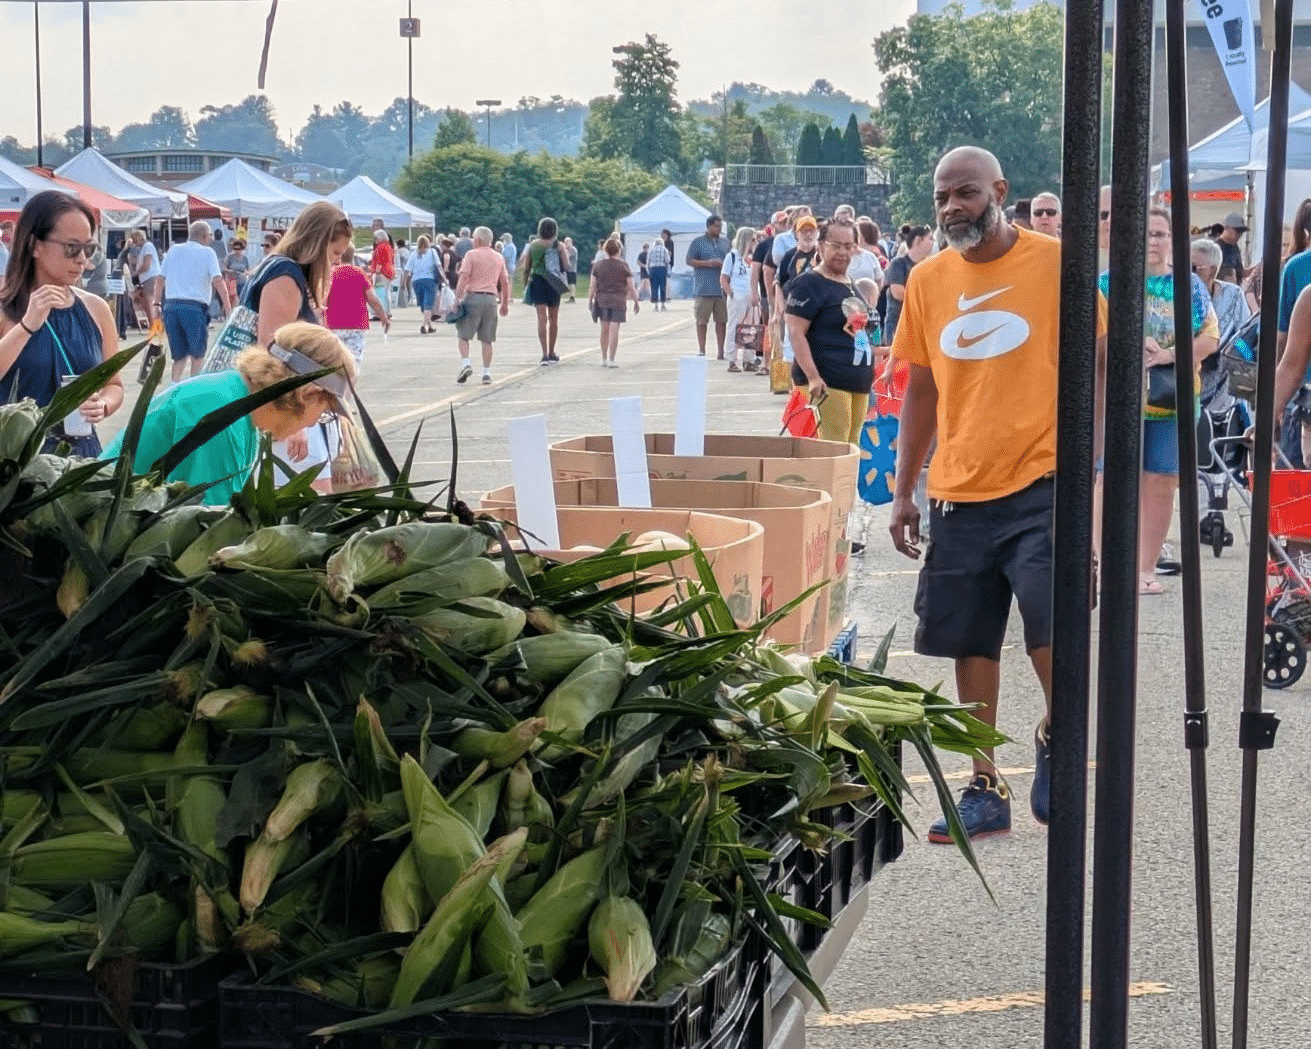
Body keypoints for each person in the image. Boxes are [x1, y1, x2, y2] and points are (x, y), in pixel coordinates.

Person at [890, 146, 1108, 842]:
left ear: (998, 190)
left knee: (1052, 629)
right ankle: (981, 786)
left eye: (965, 192)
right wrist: (904, 491)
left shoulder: (1054, 264)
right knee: (968, 638)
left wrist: (1090, 461)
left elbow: (1101, 360)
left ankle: (1055, 731)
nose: (952, 207)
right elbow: (919, 391)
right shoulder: (926, 281)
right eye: (941, 196)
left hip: (1043, 480)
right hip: (958, 488)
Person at [1095, 208, 1217, 595]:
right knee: (1106, 479)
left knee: (1161, 481)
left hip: (1171, 399)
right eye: (1146, 234)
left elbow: (1210, 339)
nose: (1153, 241)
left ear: (1172, 241)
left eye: (1161, 234)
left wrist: (1170, 354)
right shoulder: (1108, 283)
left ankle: (1145, 568)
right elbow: (1089, 336)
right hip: (1117, 399)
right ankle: (1103, 564)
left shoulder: (1189, 286)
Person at [104, 323, 356, 506]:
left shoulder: (239, 401)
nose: (314, 423)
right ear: (307, 394)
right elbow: (205, 529)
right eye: (324, 413)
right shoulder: (222, 423)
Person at [0, 191, 123, 456]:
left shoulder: (96, 308)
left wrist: (102, 405)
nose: (82, 259)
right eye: (71, 248)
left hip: (78, 463)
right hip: (16, 468)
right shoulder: (5, 307)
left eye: (89, 248)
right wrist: (27, 325)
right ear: (35, 245)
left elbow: (114, 385)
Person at [244, 201, 354, 492]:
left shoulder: (278, 269)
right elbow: (273, 351)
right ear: (317, 244)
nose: (335, 263)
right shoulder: (285, 276)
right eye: (334, 254)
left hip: (287, 402)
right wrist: (296, 423)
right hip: (285, 403)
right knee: (314, 492)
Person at [785, 217, 876, 444]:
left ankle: (846, 482)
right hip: (827, 379)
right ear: (821, 245)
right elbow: (796, 333)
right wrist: (813, 377)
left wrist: (879, 353)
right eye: (835, 245)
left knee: (852, 445)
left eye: (848, 246)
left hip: (857, 380)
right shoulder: (808, 283)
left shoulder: (849, 284)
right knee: (836, 445)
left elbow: (859, 334)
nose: (842, 252)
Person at [157, 220, 232, 384]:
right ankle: (193, 387)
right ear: (205, 236)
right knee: (197, 354)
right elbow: (218, 280)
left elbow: (160, 278)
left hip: (171, 306)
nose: (211, 239)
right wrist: (227, 306)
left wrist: (156, 303)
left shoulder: (174, 250)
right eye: (210, 235)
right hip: (194, 307)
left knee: (179, 355)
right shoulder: (208, 252)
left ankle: (173, 385)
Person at [453, 227, 511, 385]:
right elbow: (505, 282)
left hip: (473, 297)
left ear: (478, 240)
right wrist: (505, 303)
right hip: (491, 299)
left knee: (463, 335)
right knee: (487, 339)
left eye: (473, 238)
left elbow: (463, 277)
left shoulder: (471, 255)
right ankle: (486, 373)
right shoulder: (498, 257)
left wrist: (457, 299)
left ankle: (466, 363)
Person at [325, 245, 389, 370]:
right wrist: (384, 317)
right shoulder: (359, 273)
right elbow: (373, 300)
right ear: (353, 256)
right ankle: (350, 383)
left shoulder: (330, 273)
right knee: (354, 361)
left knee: (333, 361)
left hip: (333, 324)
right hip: (356, 325)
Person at [588, 236, 640, 368]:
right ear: (619, 251)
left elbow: (592, 285)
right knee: (614, 329)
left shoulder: (598, 265)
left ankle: (604, 358)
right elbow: (630, 286)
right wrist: (636, 301)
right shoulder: (623, 265)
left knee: (604, 329)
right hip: (618, 301)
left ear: (605, 250)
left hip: (602, 300)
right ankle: (612, 359)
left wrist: (590, 300)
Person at [521, 217, 568, 365]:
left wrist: (524, 285)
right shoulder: (559, 246)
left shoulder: (533, 245)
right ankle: (552, 352)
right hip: (553, 282)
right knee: (554, 319)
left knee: (542, 319)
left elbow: (526, 267)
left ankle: (544, 354)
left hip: (538, 281)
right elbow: (566, 266)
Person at [1191, 238, 1250, 346]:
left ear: (1212, 271)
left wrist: (1246, 359)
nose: (1188, 273)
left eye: (1193, 268)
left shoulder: (1234, 295)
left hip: (1223, 358)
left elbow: (1245, 335)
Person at [687, 215, 730, 359]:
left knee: (721, 321)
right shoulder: (697, 242)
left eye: (720, 226)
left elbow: (731, 260)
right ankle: (702, 350)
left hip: (721, 289)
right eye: (716, 226)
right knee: (701, 321)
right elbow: (689, 260)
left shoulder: (725, 242)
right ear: (709, 226)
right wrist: (708, 263)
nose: (719, 229)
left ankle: (721, 351)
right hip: (703, 288)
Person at [882, 226, 932, 346]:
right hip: (898, 327)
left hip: (922, 328)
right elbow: (898, 293)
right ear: (918, 241)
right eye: (930, 239)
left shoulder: (930, 265)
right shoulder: (898, 264)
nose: (932, 243)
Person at [720, 226, 757, 372]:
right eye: (752, 240)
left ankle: (749, 359)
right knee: (734, 327)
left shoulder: (754, 257)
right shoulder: (732, 256)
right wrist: (731, 293)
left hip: (752, 296)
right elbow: (723, 277)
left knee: (751, 328)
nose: (754, 243)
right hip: (738, 295)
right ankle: (731, 359)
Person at [406, 235, 443, 334]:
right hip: (429, 280)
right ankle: (423, 325)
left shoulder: (413, 254)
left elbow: (407, 269)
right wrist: (444, 277)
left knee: (423, 305)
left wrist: (405, 282)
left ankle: (430, 326)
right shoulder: (432, 252)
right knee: (428, 305)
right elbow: (439, 266)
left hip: (416, 281)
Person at [131, 229, 162, 325]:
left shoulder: (147, 246)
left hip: (150, 278)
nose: (134, 242)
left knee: (150, 303)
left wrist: (136, 273)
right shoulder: (145, 247)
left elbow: (146, 264)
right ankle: (155, 326)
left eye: (134, 240)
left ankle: (154, 326)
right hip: (150, 278)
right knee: (151, 303)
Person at [368, 228, 395, 321]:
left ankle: (380, 313)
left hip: (382, 272)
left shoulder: (380, 247)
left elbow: (379, 261)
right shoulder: (389, 246)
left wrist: (376, 271)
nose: (375, 240)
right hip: (389, 271)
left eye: (376, 238)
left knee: (380, 293)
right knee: (387, 293)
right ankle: (388, 312)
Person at [1217, 211, 1247, 282]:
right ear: (1227, 228)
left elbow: (1240, 272)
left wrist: (1258, 268)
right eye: (1237, 230)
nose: (1239, 234)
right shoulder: (1215, 248)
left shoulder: (1234, 246)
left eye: (1242, 231)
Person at [645, 236, 670, 311]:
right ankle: (662, 305)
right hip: (662, 269)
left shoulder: (651, 250)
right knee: (662, 286)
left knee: (654, 287)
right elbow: (667, 260)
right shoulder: (664, 249)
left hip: (653, 269)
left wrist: (648, 270)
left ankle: (655, 305)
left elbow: (648, 262)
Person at [224, 237, 251, 305]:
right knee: (232, 298)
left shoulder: (245, 258)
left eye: (238, 249)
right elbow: (224, 268)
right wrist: (230, 271)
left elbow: (248, 270)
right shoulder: (230, 257)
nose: (236, 251)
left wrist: (245, 274)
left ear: (242, 249)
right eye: (235, 249)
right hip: (232, 279)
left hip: (241, 280)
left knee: (242, 298)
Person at [395, 238, 412, 308]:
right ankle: (409, 297)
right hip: (410, 269)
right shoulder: (408, 251)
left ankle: (405, 298)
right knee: (409, 285)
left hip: (403, 269)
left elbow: (402, 258)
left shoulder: (400, 251)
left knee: (403, 284)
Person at [562, 236, 579, 303]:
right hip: (566, 269)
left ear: (570, 242)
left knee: (572, 284)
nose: (566, 243)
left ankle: (572, 297)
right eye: (565, 242)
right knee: (568, 284)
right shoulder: (566, 249)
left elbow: (567, 256)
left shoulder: (573, 250)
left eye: (567, 242)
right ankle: (570, 297)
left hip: (572, 269)